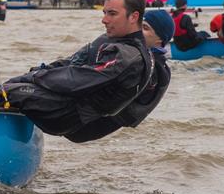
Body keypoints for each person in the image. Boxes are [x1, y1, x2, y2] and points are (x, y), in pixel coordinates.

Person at [0, 0, 154, 142]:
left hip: (71, 115)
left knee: (4, 93)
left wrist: (34, 77)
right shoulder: (111, 40)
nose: (104, 19)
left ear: (134, 16)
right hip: (64, 103)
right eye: (104, 12)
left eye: (112, 14)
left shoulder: (129, 56)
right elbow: (71, 62)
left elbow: (76, 79)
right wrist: (36, 72)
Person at [64, 8, 173, 142]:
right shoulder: (123, 46)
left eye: (145, 28)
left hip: (85, 125)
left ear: (160, 40)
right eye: (138, 25)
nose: (138, 30)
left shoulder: (153, 69)